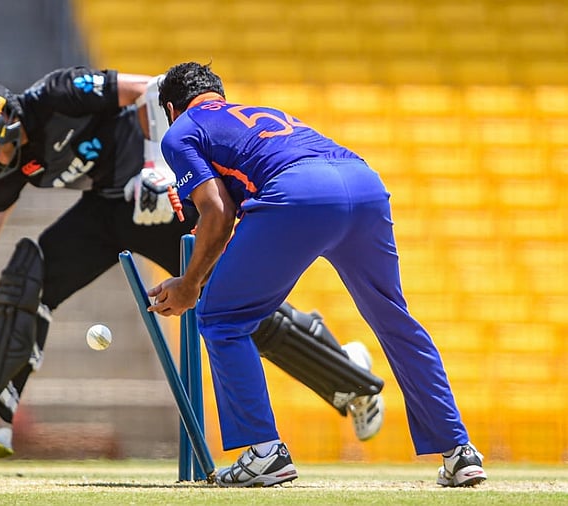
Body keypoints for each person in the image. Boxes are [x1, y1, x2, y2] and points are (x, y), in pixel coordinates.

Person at [0, 66, 386, 460]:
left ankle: (350, 377)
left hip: (158, 199)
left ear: (1, 123)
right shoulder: (14, 161)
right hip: (106, 212)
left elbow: (151, 90)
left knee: (232, 305)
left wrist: (158, 167)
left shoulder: (57, 94)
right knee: (30, 271)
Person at [147, 61, 487, 488]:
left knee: (221, 317)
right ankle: (459, 452)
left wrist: (189, 284)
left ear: (172, 108)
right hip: (363, 183)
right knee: (395, 321)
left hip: (299, 194)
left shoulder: (180, 130)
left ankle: (264, 453)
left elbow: (217, 211)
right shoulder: (260, 113)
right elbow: (233, 199)